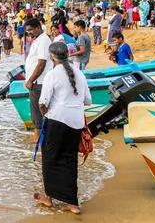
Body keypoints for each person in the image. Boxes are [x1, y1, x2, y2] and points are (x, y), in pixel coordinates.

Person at [34, 42, 92, 215]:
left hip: (57, 120)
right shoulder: (79, 73)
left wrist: (46, 115)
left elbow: (42, 102)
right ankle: (72, 203)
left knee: (50, 159)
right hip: (76, 123)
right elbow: (87, 100)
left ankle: (48, 197)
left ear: (52, 58)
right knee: (69, 160)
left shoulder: (52, 75)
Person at [24, 18, 53, 143]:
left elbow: (41, 63)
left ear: (38, 27)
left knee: (37, 109)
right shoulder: (38, 40)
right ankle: (40, 135)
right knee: (37, 108)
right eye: (27, 31)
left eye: (30, 30)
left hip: (39, 81)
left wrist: (30, 80)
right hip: (37, 81)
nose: (29, 32)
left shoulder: (43, 41)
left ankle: (37, 137)